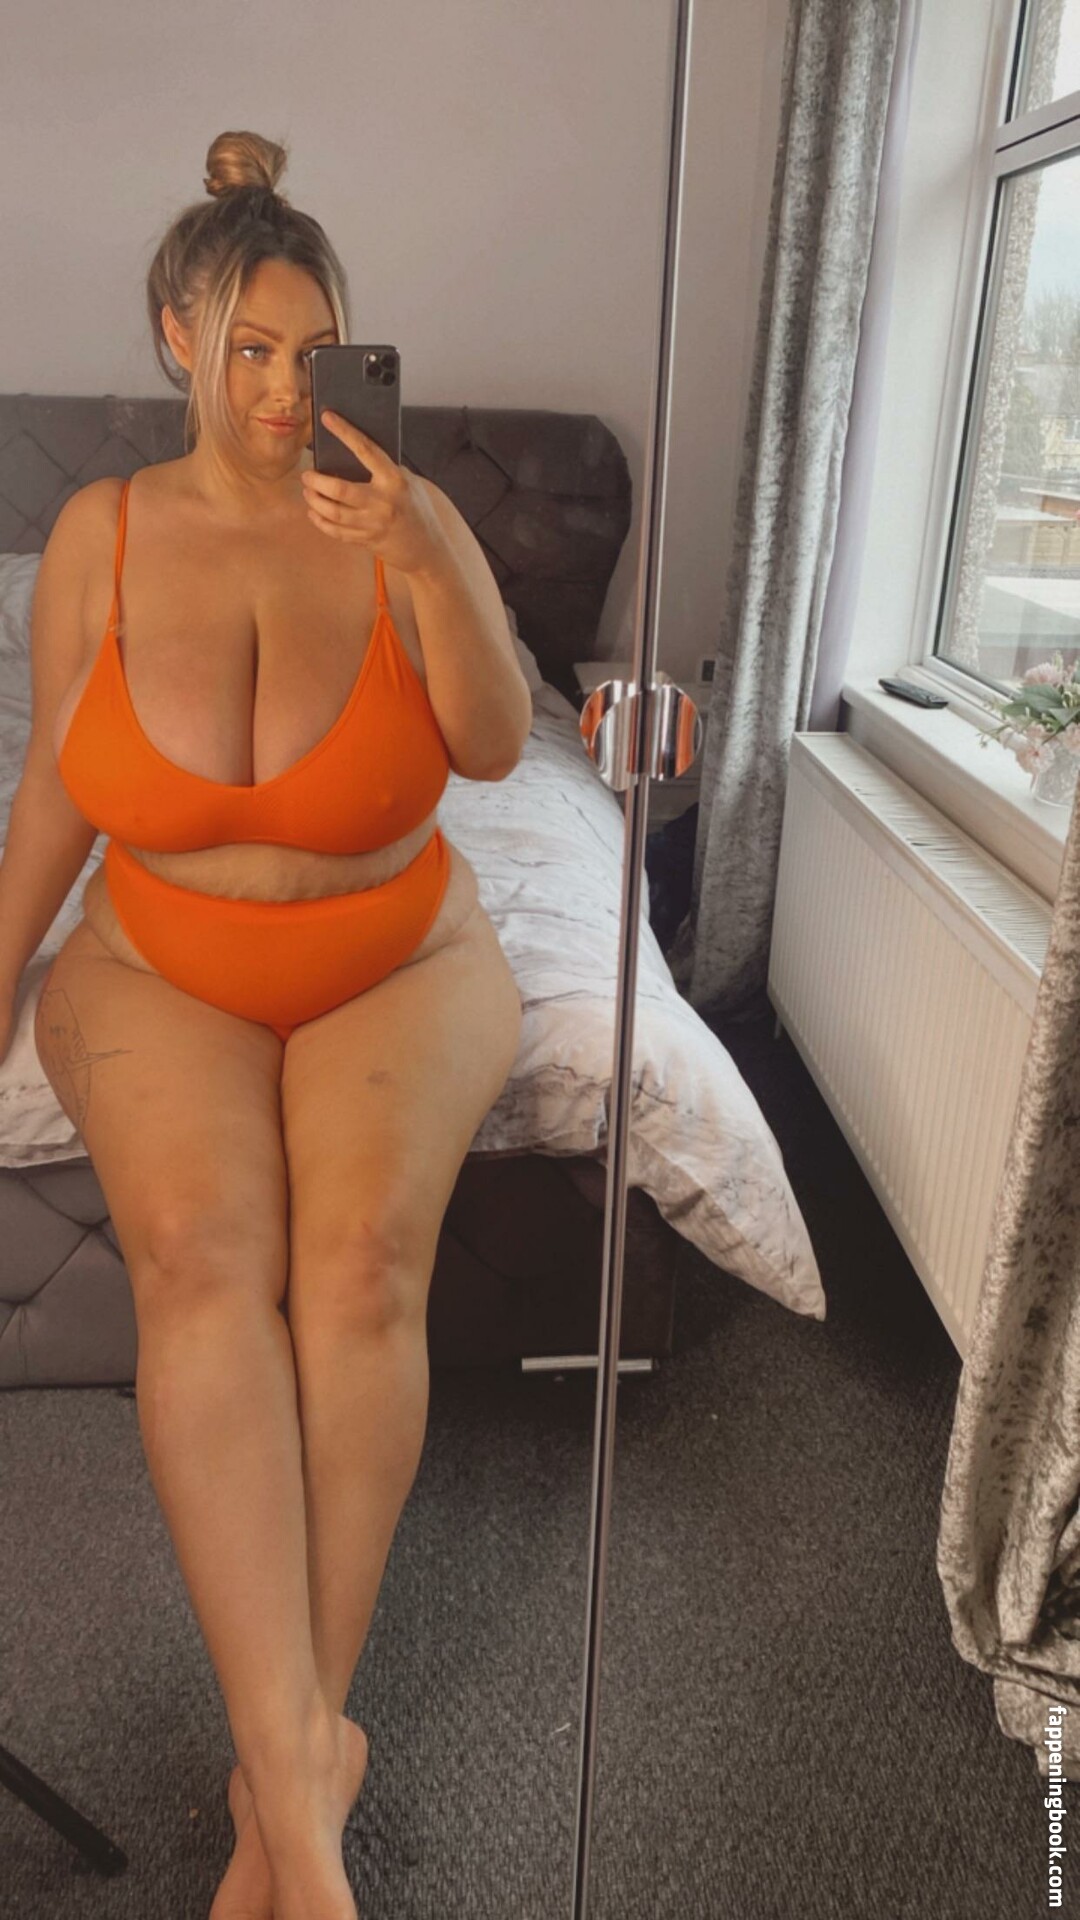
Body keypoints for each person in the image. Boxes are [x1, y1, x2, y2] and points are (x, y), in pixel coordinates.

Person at [0, 129, 529, 1920]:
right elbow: (55, 792)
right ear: (178, 337)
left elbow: (496, 745)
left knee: (364, 1265)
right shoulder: (98, 536)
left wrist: (433, 559)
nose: (289, 391)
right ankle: (306, 1792)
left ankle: (279, 1788)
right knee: (203, 1260)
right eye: (248, 350)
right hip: (162, 967)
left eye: (315, 350)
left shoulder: (400, 513)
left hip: (397, 959)